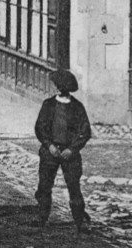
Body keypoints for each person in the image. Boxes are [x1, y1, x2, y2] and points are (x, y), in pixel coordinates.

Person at [35, 68, 93, 232]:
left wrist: (72, 150)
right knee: (45, 187)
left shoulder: (77, 107)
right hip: (50, 153)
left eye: (58, 86)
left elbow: (85, 131)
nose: (56, 89)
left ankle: (79, 221)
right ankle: (42, 219)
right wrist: (49, 145)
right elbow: (40, 128)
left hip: (70, 154)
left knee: (74, 187)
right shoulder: (48, 105)